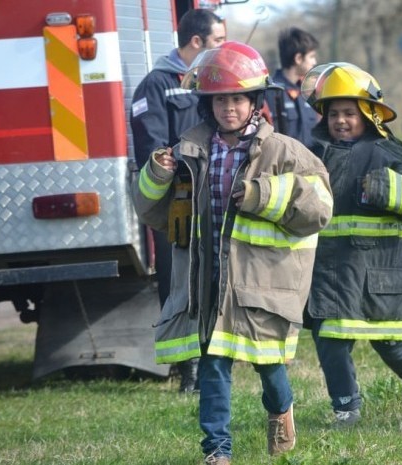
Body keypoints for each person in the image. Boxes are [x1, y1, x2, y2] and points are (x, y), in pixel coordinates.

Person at [132, 42, 333, 463]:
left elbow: (320, 207)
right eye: (220, 100)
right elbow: (152, 212)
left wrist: (261, 194)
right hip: (209, 279)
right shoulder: (186, 152)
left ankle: (280, 409)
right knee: (213, 365)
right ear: (208, 105)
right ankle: (217, 450)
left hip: (262, 284)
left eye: (238, 99)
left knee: (268, 365)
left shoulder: (284, 151)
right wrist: (157, 173)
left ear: (255, 101)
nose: (229, 108)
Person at [301, 62, 402, 426]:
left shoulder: (390, 154)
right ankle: (346, 408)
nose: (341, 120)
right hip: (331, 273)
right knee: (330, 341)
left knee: (391, 342)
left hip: (379, 274)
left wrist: (388, 190)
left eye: (349, 112)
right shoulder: (313, 156)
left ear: (369, 113)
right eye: (334, 114)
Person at [130, 8, 226, 394]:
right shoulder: (155, 86)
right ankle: (188, 371)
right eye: (219, 40)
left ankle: (216, 360)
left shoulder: (214, 82)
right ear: (196, 42)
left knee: (216, 277)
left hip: (216, 198)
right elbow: (151, 148)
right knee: (177, 283)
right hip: (179, 205)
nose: (224, 47)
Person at [268, 27, 319, 147]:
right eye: (311, 56)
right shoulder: (270, 92)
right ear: (298, 59)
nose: (314, 62)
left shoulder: (308, 92)